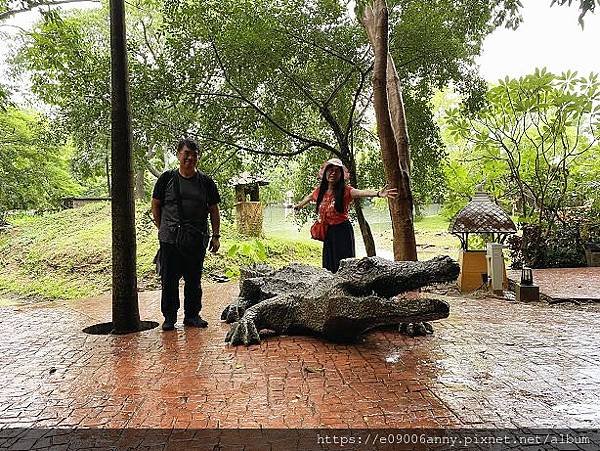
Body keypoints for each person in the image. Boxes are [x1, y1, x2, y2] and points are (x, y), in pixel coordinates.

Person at [151, 138, 221, 331]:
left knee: (194, 279)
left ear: (198, 157)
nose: (190, 158)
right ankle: (169, 318)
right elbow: (155, 204)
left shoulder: (206, 183)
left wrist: (216, 235)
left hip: (196, 239)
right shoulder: (166, 179)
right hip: (170, 240)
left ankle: (192, 316)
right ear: (178, 155)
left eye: (194, 154)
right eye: (186, 154)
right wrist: (162, 228)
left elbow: (214, 209)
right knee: (169, 280)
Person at [294, 158, 397, 273]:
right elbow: (309, 197)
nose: (333, 173)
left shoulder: (346, 191)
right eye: (330, 170)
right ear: (325, 173)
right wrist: (299, 206)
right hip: (328, 232)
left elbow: (361, 192)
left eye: (337, 171)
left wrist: (378, 193)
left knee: (344, 264)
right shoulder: (319, 191)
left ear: (341, 175)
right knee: (329, 264)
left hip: (342, 231)